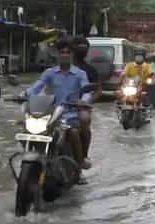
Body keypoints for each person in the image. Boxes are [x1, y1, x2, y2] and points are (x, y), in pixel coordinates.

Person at [19, 39, 92, 185]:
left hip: (71, 113)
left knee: (73, 133)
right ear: (57, 55)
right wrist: (23, 94)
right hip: (51, 113)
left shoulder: (80, 74)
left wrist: (83, 100)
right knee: (28, 129)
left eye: (68, 52)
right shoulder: (50, 72)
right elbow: (37, 87)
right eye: (62, 52)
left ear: (71, 55)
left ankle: (78, 168)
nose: (64, 55)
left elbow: (87, 91)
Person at [71, 36, 101, 169]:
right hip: (59, 104)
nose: (81, 48)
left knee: (84, 120)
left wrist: (87, 102)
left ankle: (83, 156)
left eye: (84, 46)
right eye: (79, 45)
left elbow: (97, 90)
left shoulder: (89, 70)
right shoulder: (55, 69)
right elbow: (45, 87)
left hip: (81, 104)